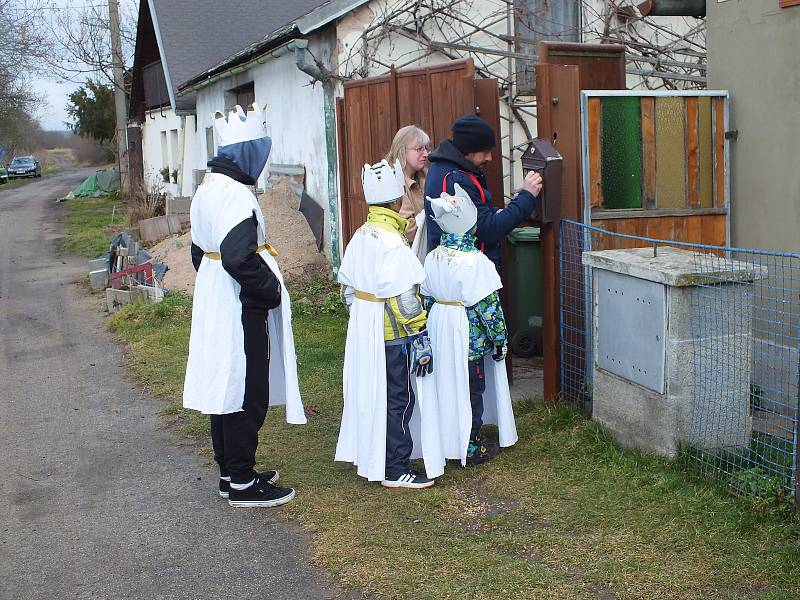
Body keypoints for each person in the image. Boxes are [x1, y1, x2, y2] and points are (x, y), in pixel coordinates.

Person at [183, 103, 306, 508]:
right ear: (247, 154)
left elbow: (200, 251)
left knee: (225, 384)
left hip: (217, 298)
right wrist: (268, 290)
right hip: (238, 304)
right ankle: (241, 480)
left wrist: (216, 282)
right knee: (245, 390)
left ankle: (229, 471)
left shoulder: (207, 188)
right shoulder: (234, 196)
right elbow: (238, 257)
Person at [335, 159, 444, 489]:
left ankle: (374, 454)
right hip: (393, 336)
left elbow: (348, 290)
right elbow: (405, 299)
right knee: (400, 397)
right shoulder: (393, 243)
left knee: (372, 394)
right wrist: (420, 337)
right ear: (399, 201)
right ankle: (395, 466)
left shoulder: (361, 234)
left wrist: (364, 319)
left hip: (364, 330)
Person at [422, 184, 518, 467]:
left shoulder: (432, 257)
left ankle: (447, 435)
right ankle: (470, 443)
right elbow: (489, 308)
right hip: (467, 336)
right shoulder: (476, 262)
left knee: (445, 383)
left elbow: (426, 298)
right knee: (471, 387)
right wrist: (500, 339)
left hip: (440, 327)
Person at [424, 115, 543, 272]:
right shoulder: (455, 179)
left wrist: (497, 213)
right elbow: (488, 230)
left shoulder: (446, 169)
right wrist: (527, 196)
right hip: (465, 276)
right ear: (469, 149)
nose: (490, 157)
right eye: (485, 151)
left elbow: (477, 214)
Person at [384, 125, 431, 248]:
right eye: (419, 149)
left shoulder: (427, 177)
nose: (426, 154)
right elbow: (408, 230)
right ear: (402, 150)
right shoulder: (394, 182)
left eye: (426, 148)